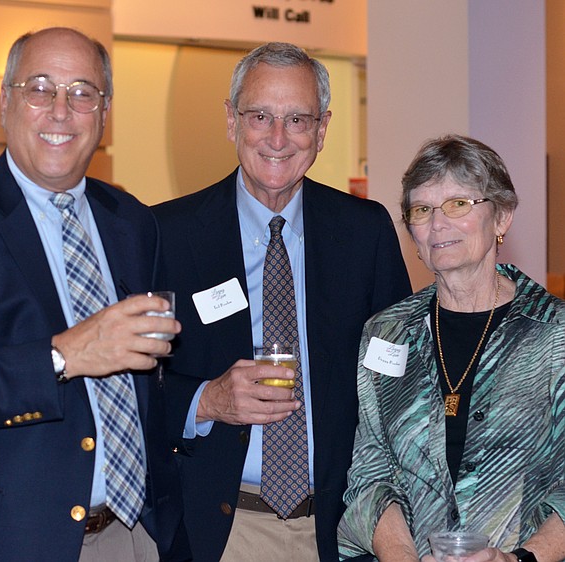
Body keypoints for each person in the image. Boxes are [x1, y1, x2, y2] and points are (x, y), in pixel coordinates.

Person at [0, 27, 190, 561]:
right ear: (6, 101)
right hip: (5, 541)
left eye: (81, 93)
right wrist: (62, 356)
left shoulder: (133, 222)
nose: (61, 111)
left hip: (135, 537)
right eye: (41, 88)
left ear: (103, 112)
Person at [153, 42, 412, 561]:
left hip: (340, 530)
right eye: (260, 116)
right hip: (217, 532)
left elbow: (399, 382)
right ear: (231, 121)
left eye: (297, 119)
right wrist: (206, 400)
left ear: (322, 129)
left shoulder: (365, 233)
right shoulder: (165, 235)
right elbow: (127, 386)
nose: (277, 138)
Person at [338, 134, 565, 562]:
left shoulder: (554, 334)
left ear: (501, 217)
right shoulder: (387, 333)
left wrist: (521, 559)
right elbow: (371, 473)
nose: (437, 224)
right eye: (422, 210)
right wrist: (402, 557)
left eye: (458, 204)